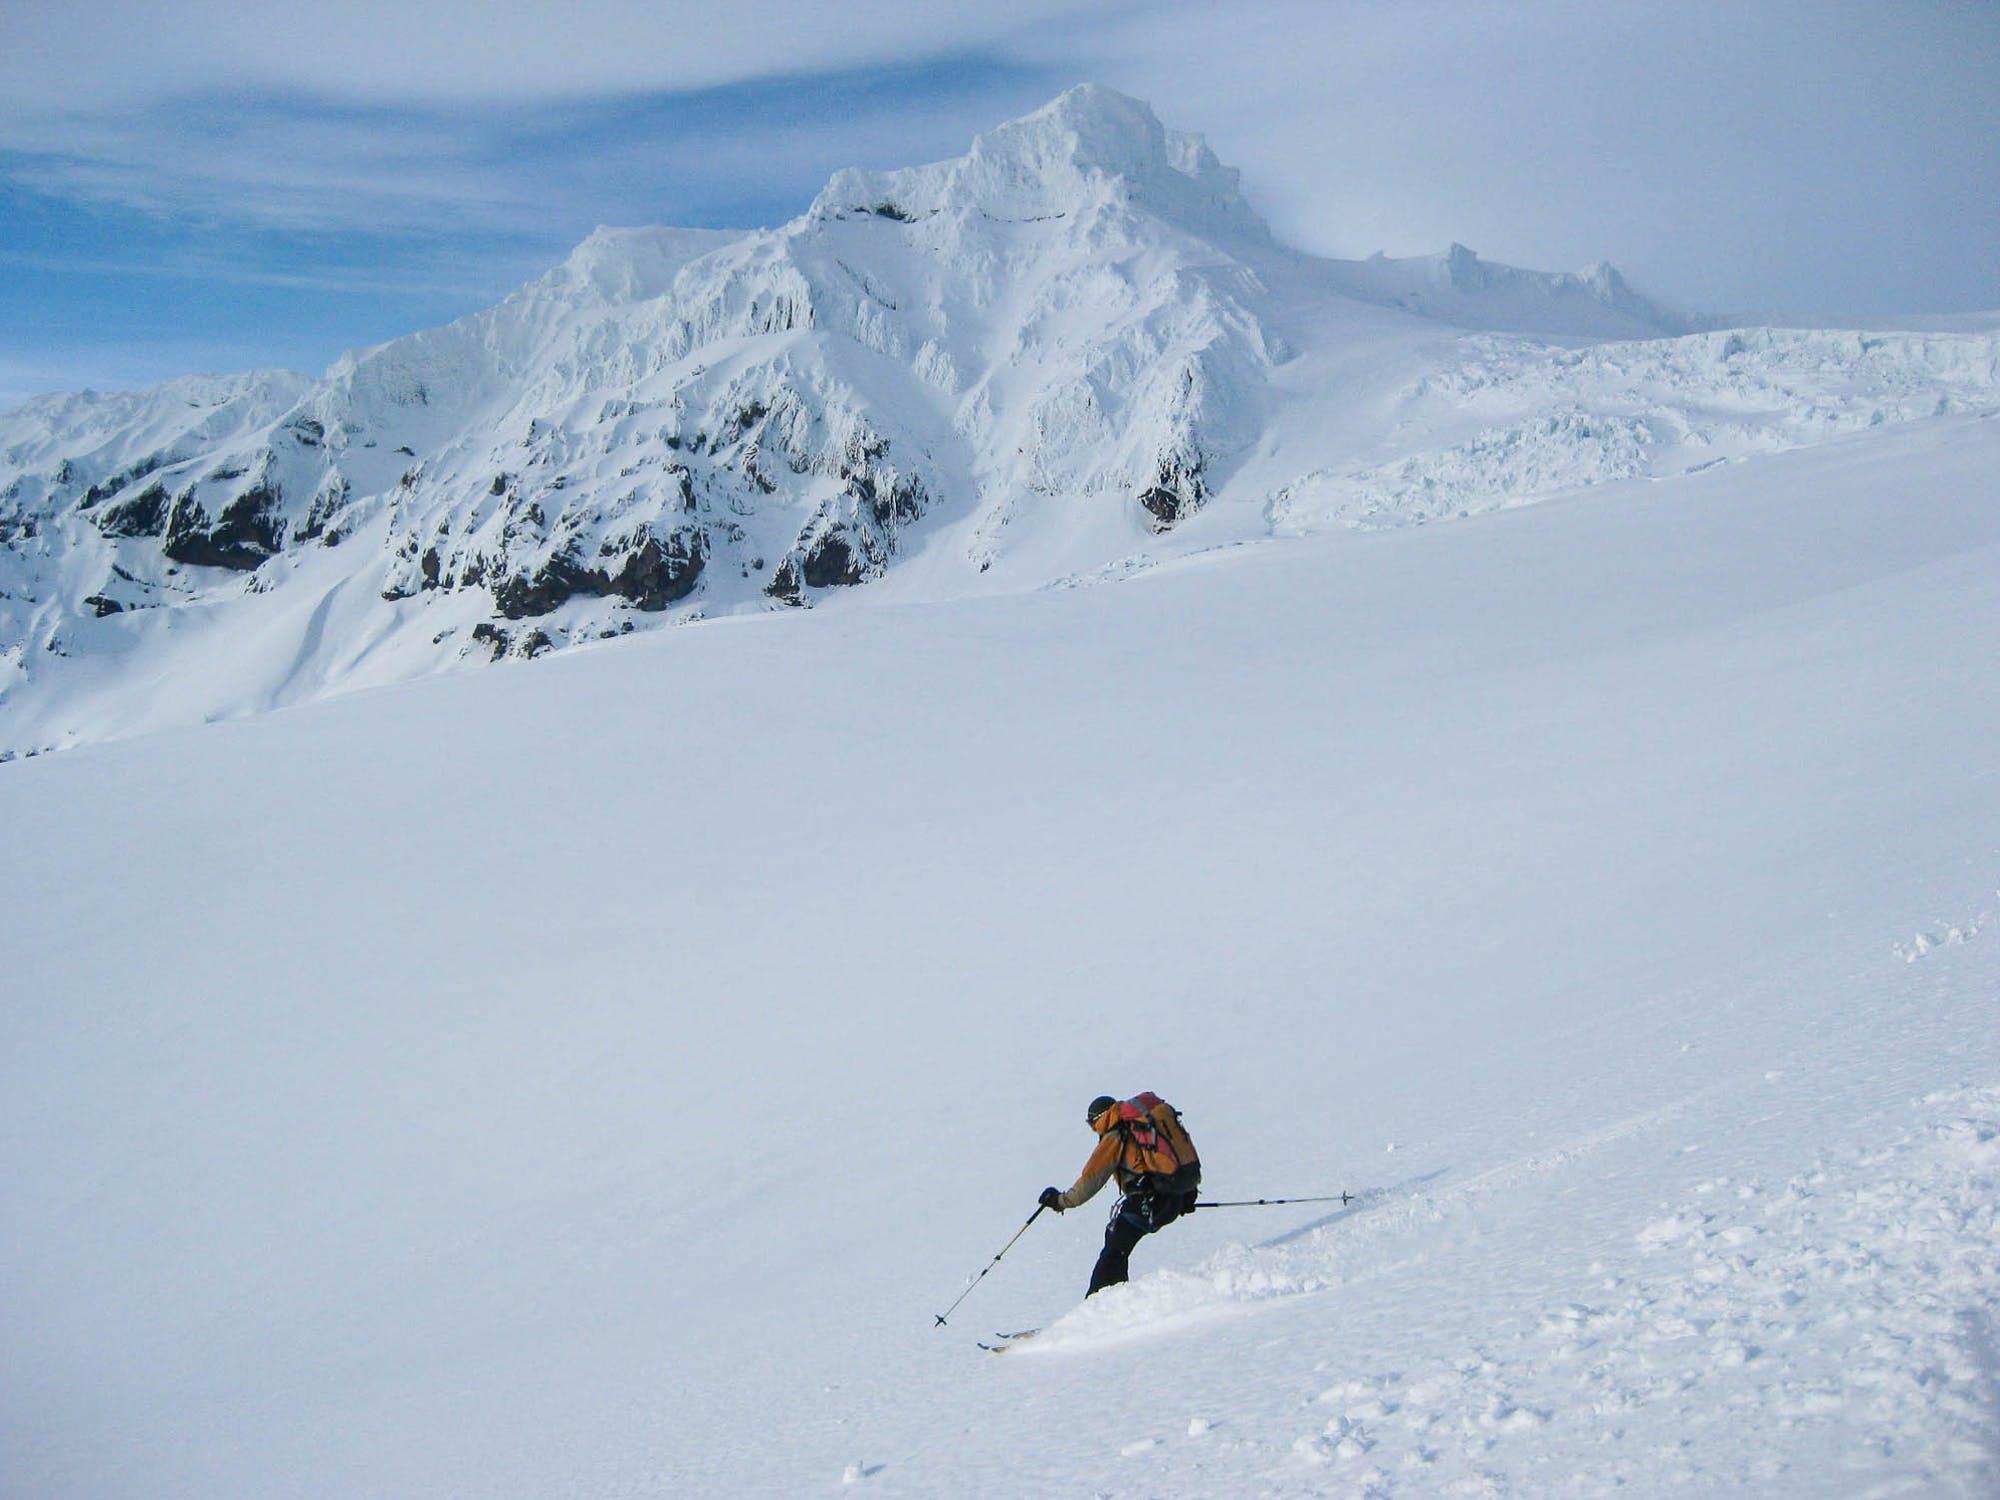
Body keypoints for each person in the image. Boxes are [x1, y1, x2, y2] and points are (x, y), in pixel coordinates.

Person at [1039, 1092, 1201, 1296]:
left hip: (1148, 1202)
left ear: (1100, 1117)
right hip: (1174, 1197)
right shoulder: (1146, 1125)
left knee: (1115, 1248)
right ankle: (1117, 1298)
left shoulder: (1117, 1133)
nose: (1093, 1129)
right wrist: (1185, 1195)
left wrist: (1061, 1201)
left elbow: (1093, 1178)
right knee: (1117, 1241)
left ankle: (1098, 1304)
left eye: (1091, 1123)